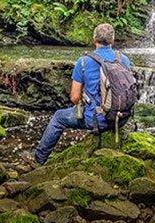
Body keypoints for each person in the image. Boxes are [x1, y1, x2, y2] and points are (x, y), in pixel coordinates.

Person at [34, 23, 131, 165]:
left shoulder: (84, 62)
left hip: (96, 120)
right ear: (112, 40)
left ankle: (39, 159)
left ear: (94, 39)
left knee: (58, 117)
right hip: (120, 118)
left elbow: (74, 97)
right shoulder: (124, 60)